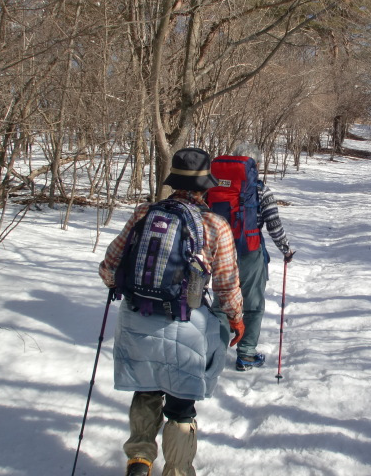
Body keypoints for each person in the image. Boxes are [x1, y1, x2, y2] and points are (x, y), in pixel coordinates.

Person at [99, 147, 245, 476]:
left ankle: (139, 459)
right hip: (187, 322)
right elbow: (226, 284)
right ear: (204, 186)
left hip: (137, 318)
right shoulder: (215, 225)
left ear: (173, 181)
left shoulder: (143, 213)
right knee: (180, 406)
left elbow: (109, 268)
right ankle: (177, 470)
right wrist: (236, 318)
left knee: (146, 387)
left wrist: (121, 286)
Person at [230, 144, 294, 372]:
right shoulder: (261, 190)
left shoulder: (220, 187)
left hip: (221, 251)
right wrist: (286, 249)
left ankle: (213, 352)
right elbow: (274, 225)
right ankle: (246, 354)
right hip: (250, 251)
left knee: (220, 304)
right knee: (253, 305)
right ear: (255, 165)